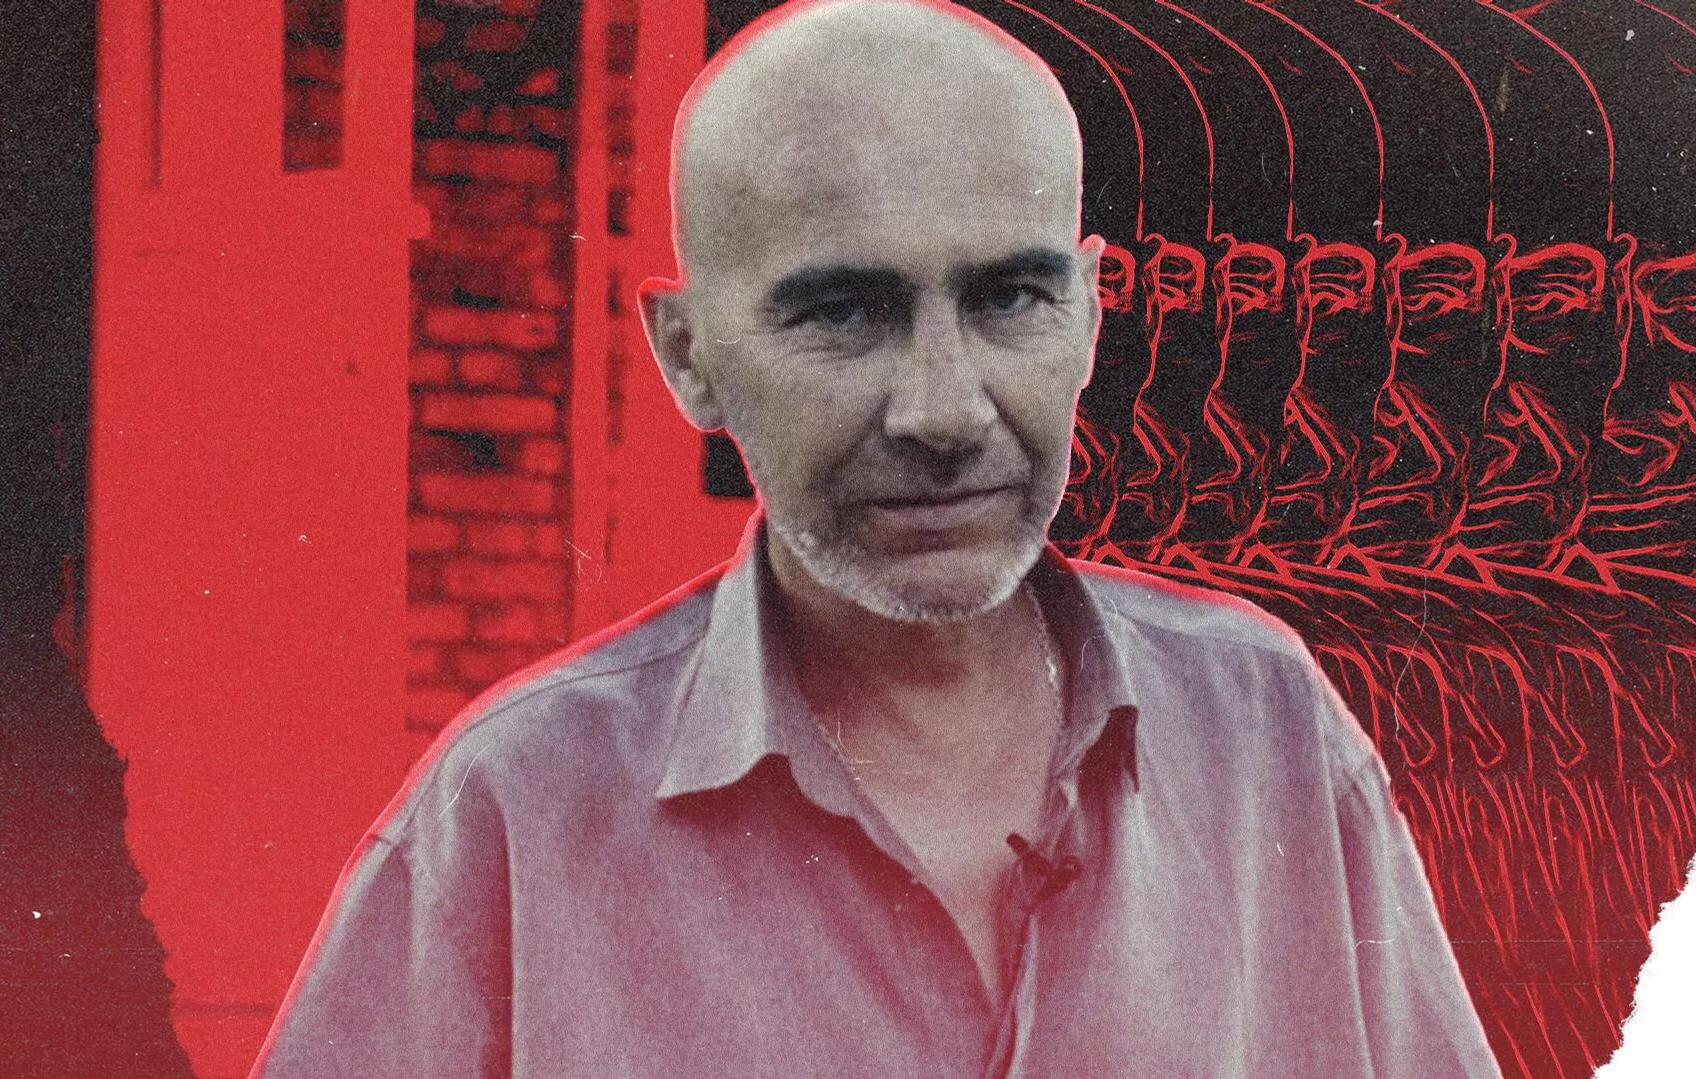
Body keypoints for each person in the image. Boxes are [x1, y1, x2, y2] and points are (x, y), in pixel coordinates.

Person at [252, 2, 1499, 1075]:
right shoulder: (516, 810)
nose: (943, 411)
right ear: (687, 356)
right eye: (845, 312)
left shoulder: (1264, 726)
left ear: (1089, 314)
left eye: (1010, 297)